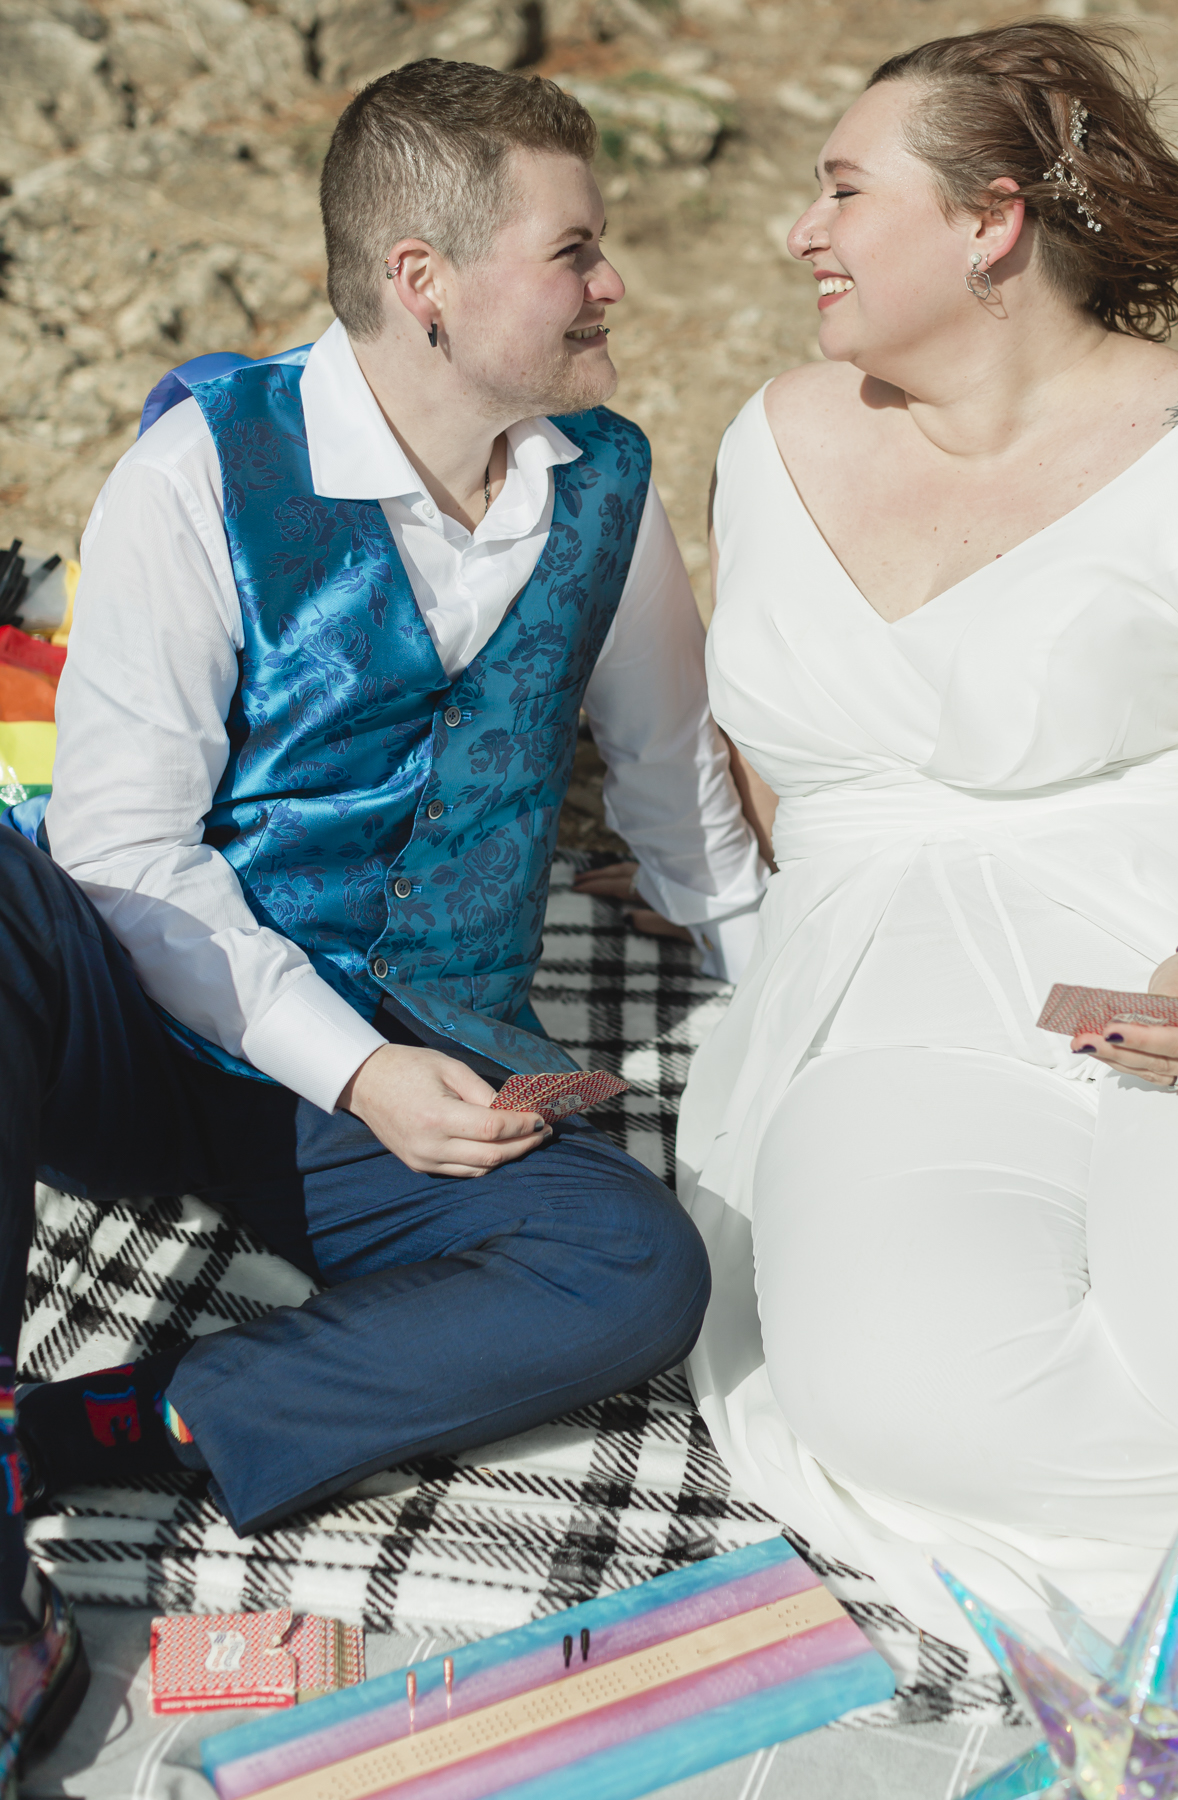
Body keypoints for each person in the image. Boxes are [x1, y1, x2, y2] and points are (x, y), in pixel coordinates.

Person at [0, 59, 767, 1772]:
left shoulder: (604, 489)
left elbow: (672, 805)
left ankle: (124, 1421)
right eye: (574, 249)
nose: (613, 285)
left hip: (416, 1077)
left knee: (636, 1270)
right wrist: (346, 1065)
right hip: (149, 1019)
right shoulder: (202, 470)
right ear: (425, 282)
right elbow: (126, 853)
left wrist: (817, 1020)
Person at [677, 20, 1178, 1690]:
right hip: (890, 1019)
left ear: (989, 223)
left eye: (843, 190)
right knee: (895, 1396)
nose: (801, 229)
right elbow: (789, 749)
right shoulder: (769, 439)